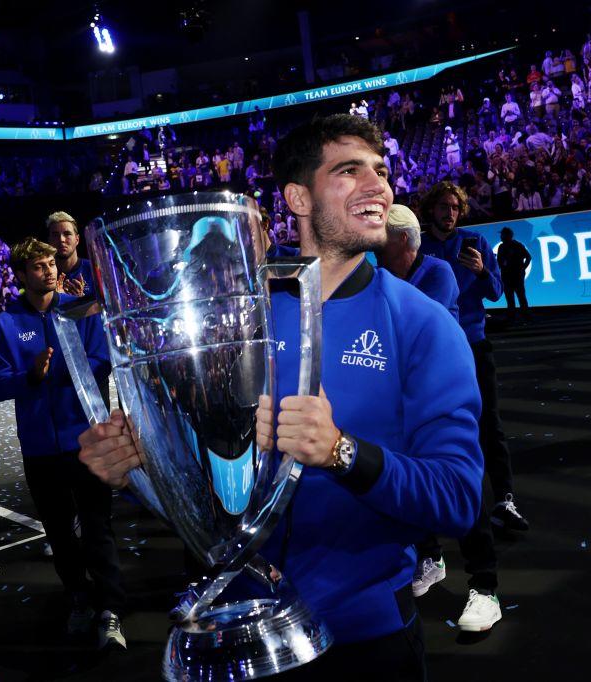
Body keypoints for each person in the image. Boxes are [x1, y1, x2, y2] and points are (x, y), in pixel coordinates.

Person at [76, 114, 485, 679]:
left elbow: (459, 498)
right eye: (349, 170)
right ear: (297, 196)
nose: (378, 187)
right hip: (235, 637)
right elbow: (212, 475)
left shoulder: (423, 325)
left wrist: (341, 451)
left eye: (382, 171)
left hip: (364, 643)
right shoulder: (231, 319)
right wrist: (136, 467)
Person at [0, 237, 128, 648]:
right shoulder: (5, 324)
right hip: (39, 449)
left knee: (98, 529)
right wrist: (30, 377)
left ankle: (110, 610)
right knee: (61, 534)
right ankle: (79, 598)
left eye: (51, 263)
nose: (49, 271)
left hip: (87, 440)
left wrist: (66, 369)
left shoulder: (79, 310)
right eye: (38, 266)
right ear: (20, 275)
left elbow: (104, 359)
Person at [416, 181, 530, 633]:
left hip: (474, 345)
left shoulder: (475, 242)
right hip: (429, 355)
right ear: (429, 211)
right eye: (443, 207)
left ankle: (503, 499)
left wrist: (483, 271)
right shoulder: (415, 246)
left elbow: (497, 293)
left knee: (490, 428)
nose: (450, 214)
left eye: (455, 207)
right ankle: (433, 554)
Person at [376, 204, 458, 318]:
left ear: (403, 238)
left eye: (381, 238)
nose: (375, 245)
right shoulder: (377, 275)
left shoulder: (439, 272)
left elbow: (422, 323)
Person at [47, 211, 94, 296]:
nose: (61, 239)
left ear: (77, 239)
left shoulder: (94, 270)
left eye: (67, 234)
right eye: (55, 235)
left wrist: (80, 301)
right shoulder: (45, 276)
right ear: (49, 241)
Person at [497, 227, 532, 323]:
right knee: (510, 298)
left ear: (508, 235)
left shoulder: (517, 245)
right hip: (507, 277)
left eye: (502, 234)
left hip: (516, 276)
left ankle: (526, 317)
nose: (501, 236)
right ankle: (512, 317)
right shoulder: (501, 247)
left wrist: (522, 269)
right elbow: (499, 262)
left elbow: (528, 257)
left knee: (520, 297)